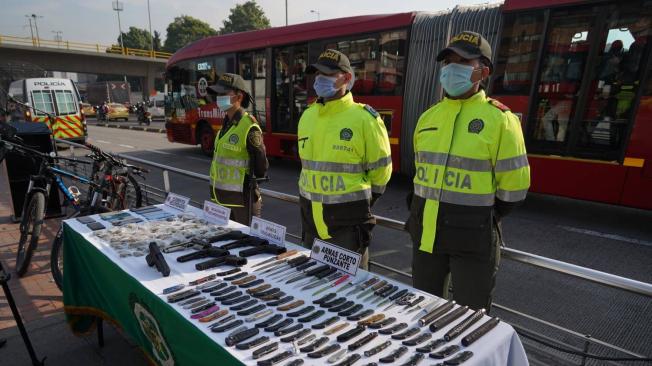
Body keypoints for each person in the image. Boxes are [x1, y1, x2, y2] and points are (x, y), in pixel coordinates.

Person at [406, 31, 531, 311]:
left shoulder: (501, 120)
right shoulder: (428, 118)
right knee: (423, 313)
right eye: (448, 61)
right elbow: (419, 175)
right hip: (426, 236)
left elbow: (514, 189)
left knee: (470, 319)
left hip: (473, 241)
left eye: (463, 61)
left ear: (482, 72)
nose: (452, 68)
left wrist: (481, 217)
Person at [298, 49, 392, 270]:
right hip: (311, 223)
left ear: (347, 78)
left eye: (327, 74)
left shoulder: (364, 119)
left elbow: (382, 172)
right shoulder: (307, 116)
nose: (320, 79)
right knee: (313, 288)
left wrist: (363, 201)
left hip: (347, 227)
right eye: (317, 74)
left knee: (349, 293)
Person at [208, 73, 268, 225]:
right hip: (221, 200)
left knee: (246, 244)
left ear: (239, 96)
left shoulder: (249, 126)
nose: (219, 98)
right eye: (218, 94)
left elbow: (261, 167)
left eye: (223, 94)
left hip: (242, 203)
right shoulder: (226, 124)